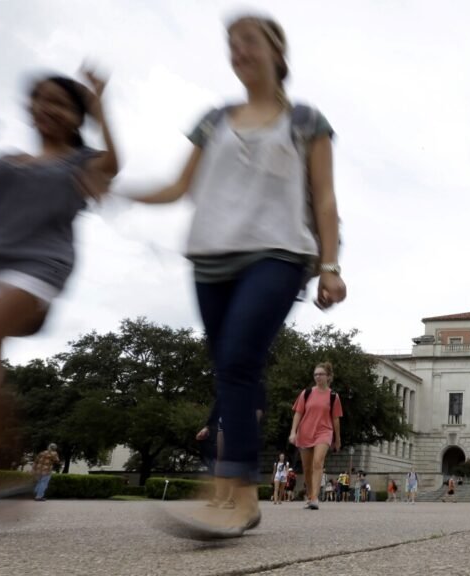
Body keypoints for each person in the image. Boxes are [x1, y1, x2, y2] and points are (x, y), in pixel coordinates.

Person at [130, 13, 344, 539]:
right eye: (231, 43)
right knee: (229, 369)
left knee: (240, 359)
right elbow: (179, 186)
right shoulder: (214, 120)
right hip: (211, 256)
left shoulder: (305, 121)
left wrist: (330, 265)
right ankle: (230, 492)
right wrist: (116, 187)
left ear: (277, 52)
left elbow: (324, 198)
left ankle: (238, 494)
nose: (239, 50)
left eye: (249, 40)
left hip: (279, 252)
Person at [0, 70, 118, 536]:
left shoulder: (81, 162)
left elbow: (114, 164)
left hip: (37, 265)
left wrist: (101, 109)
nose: (46, 107)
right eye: (39, 99)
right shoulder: (6, 161)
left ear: (76, 116)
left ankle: (10, 441)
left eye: (59, 102)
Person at [290, 362, 343, 511]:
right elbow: (298, 413)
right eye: (315, 374)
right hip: (305, 432)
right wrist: (293, 432)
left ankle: (314, 498)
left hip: (324, 432)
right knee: (307, 468)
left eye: (321, 374)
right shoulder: (306, 393)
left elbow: (336, 419)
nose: (318, 377)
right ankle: (309, 495)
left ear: (328, 377)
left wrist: (337, 439)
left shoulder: (333, 396)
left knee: (318, 462)